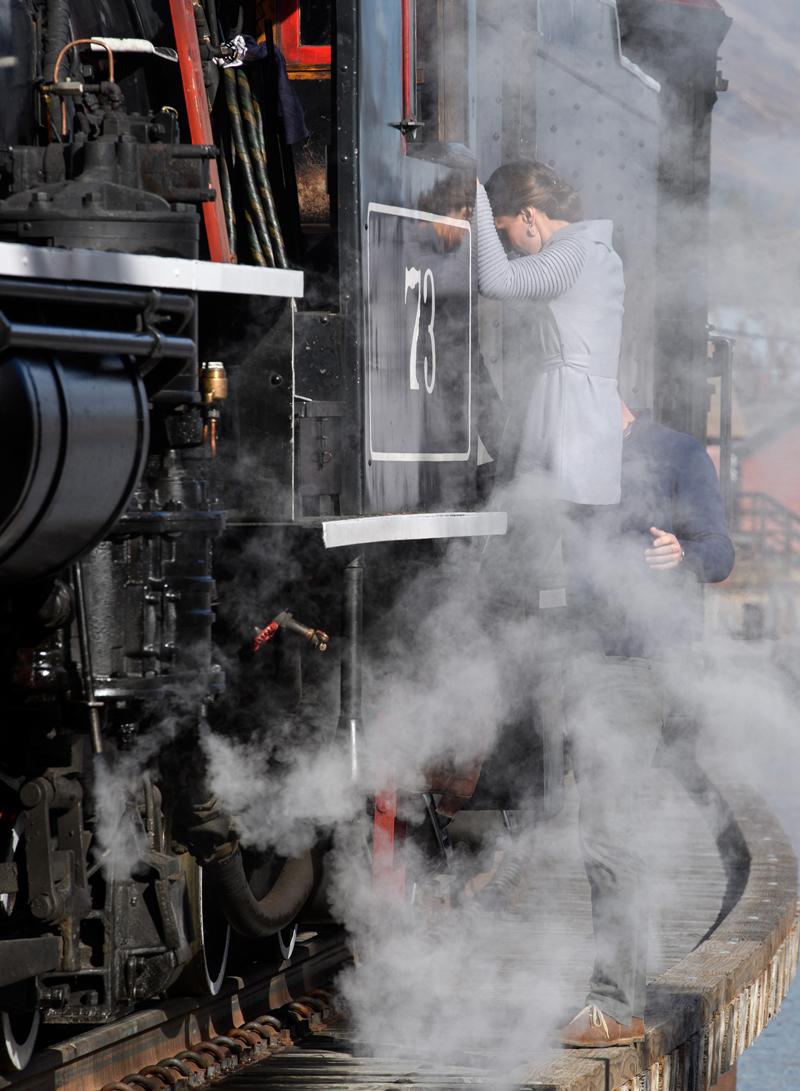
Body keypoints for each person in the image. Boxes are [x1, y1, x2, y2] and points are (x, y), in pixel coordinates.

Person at [556, 400, 735, 1048]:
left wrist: (679, 551)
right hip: (592, 661)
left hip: (643, 663)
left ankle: (615, 1003)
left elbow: (721, 554)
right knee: (605, 828)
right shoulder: (580, 464)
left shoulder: (680, 453)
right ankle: (623, 980)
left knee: (607, 828)